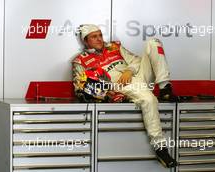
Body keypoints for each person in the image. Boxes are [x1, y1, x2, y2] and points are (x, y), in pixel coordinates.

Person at [72, 24, 178, 168]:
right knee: (149, 99)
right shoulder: (80, 60)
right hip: (120, 86)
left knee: (154, 43)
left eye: (100, 35)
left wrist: (129, 70)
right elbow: (80, 88)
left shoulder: (114, 47)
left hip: (136, 75)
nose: (99, 39)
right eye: (94, 36)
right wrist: (109, 95)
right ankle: (160, 148)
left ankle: (165, 88)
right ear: (85, 40)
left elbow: (136, 60)